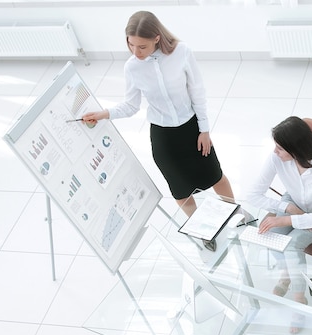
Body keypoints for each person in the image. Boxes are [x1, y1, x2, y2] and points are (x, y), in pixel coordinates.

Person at [82, 11, 234, 221]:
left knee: (216, 177)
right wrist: (104, 114)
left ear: (157, 38)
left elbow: (197, 92)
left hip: (191, 129)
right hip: (164, 138)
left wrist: (204, 129)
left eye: (142, 46)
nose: (136, 52)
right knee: (181, 193)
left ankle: (237, 214)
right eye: (131, 45)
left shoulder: (182, 52)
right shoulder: (132, 67)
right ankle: (204, 230)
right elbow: (131, 106)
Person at [246, 116, 312, 334]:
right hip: (294, 204)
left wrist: (287, 220)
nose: (275, 152)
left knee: (292, 246)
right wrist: (287, 208)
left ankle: (299, 299)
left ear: (296, 149)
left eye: (280, 148)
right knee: (267, 233)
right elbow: (252, 195)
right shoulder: (277, 159)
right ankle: (287, 274)